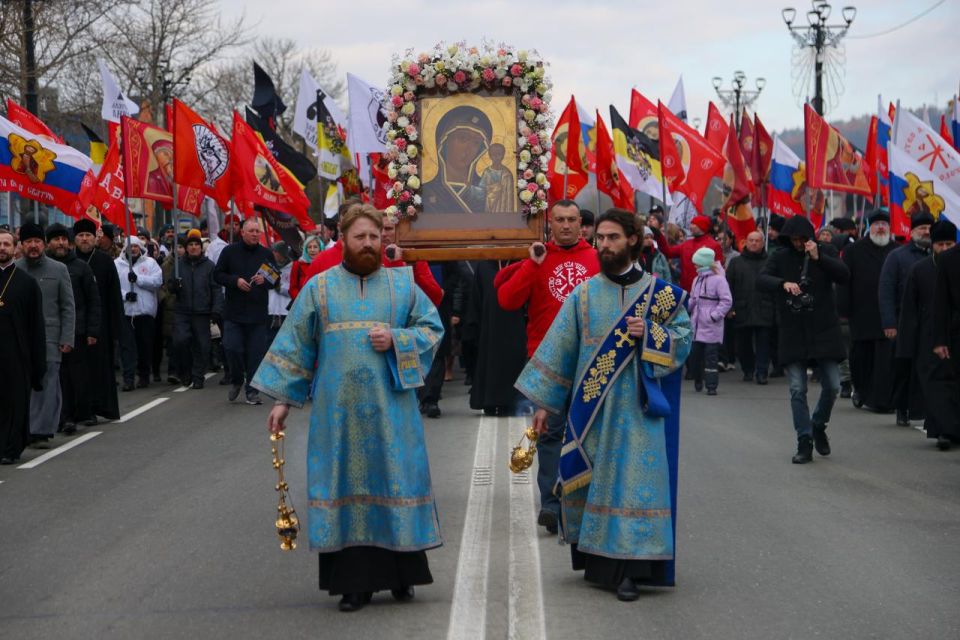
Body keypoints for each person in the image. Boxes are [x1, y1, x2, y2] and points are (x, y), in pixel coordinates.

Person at [253, 203, 444, 612]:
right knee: (346, 488)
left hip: (392, 413)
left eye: (375, 237)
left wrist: (397, 339)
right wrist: (284, 400)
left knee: (394, 481)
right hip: (336, 417)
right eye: (361, 237)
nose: (369, 244)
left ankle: (402, 574)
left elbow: (432, 330)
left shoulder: (404, 286)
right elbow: (297, 345)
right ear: (344, 240)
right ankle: (353, 584)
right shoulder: (319, 288)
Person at [515, 208, 691, 601]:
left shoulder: (661, 295)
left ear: (633, 240)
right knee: (595, 483)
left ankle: (631, 570)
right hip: (590, 411)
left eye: (613, 238)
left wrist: (653, 335)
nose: (605, 245)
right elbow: (561, 349)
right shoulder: (584, 294)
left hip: (640, 413)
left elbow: (684, 338)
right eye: (601, 239)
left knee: (634, 487)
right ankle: (599, 563)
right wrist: (544, 403)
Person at [495, 199, 600, 534]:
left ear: (581, 224)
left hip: (589, 360)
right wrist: (532, 265)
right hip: (545, 360)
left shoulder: (598, 259)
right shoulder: (537, 257)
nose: (567, 225)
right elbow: (507, 300)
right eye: (560, 220)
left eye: (573, 219)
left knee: (589, 433)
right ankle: (552, 506)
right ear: (548, 223)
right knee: (549, 434)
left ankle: (585, 502)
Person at [757, 216, 850, 464]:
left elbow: (843, 275)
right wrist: (783, 283)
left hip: (824, 330)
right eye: (794, 240)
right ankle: (804, 439)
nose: (798, 243)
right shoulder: (779, 256)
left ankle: (818, 424)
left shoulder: (825, 251)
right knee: (798, 388)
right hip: (793, 331)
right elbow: (762, 280)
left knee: (832, 385)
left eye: (802, 239)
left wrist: (819, 257)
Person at [290, 207, 443, 306]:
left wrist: (410, 266)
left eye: (387, 229)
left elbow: (432, 301)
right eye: (360, 236)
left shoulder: (408, 259)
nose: (382, 235)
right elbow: (304, 309)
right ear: (344, 236)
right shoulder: (323, 261)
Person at [899, 219, 958, 450]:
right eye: (940, 244)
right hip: (929, 338)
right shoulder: (920, 270)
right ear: (932, 245)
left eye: (949, 244)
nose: (945, 249)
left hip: (955, 335)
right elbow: (909, 309)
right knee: (936, 387)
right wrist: (906, 344)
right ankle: (942, 430)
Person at [15, 222, 75, 447]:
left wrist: (67, 337)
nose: (33, 246)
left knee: (47, 384)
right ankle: (25, 427)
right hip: (21, 339)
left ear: (44, 244)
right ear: (22, 245)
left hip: (51, 338)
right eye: (29, 242)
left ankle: (40, 432)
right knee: (23, 385)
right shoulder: (14, 270)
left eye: (37, 242)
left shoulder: (58, 270)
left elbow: (67, 306)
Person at [838, 210, 897, 413]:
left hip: (888, 314)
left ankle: (881, 399)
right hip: (862, 313)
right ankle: (861, 390)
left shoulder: (896, 250)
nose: (881, 227)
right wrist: (843, 308)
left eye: (884, 224)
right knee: (860, 357)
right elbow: (844, 281)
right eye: (877, 224)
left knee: (884, 359)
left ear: (889, 228)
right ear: (869, 227)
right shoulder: (854, 251)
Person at [878, 212, 934, 426]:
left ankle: (928, 410)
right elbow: (886, 290)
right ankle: (902, 407)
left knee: (929, 368)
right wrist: (889, 323)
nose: (926, 232)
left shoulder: (937, 256)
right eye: (922, 228)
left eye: (929, 228)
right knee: (904, 367)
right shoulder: (897, 256)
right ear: (912, 232)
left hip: (930, 322)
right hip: (904, 322)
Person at [214, 217, 274, 405]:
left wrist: (267, 281)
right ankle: (237, 379)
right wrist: (236, 281)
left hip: (257, 314)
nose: (256, 234)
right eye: (252, 231)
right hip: (234, 312)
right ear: (243, 232)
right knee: (232, 348)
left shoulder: (266, 253)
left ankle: (252, 390)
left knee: (255, 354)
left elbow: (276, 280)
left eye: (258, 231)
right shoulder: (229, 252)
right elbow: (217, 275)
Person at [46, 224, 101, 434]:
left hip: (77, 331)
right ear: (48, 243)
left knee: (77, 376)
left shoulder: (81, 267)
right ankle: (63, 416)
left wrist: (92, 331)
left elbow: (93, 301)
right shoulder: (43, 267)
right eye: (55, 239)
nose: (60, 243)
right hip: (50, 332)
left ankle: (81, 412)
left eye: (63, 239)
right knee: (57, 378)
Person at [0, 229, 46, 464]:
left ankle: (11, 447)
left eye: (7, 244)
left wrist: (38, 361)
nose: (2, 248)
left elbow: (36, 324)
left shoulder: (26, 283)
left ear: (15, 248)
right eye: (0, 244)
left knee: (15, 400)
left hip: (17, 352)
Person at [74, 218, 123, 422]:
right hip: (77, 324)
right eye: (81, 236)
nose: (85, 239)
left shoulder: (104, 261)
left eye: (88, 236)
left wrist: (116, 328)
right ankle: (82, 410)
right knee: (79, 370)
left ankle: (101, 407)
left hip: (101, 325)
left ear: (96, 238)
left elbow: (114, 296)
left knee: (100, 368)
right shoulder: (68, 261)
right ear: (75, 239)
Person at [465, 260, 527, 415]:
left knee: (514, 359)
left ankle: (511, 401)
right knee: (490, 359)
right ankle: (490, 401)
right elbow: (476, 297)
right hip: (490, 322)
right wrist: (472, 325)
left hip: (516, 321)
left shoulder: (521, 262)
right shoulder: (484, 264)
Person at [168, 229, 222, 390]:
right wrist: (174, 285)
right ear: (186, 248)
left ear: (201, 247)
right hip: (182, 311)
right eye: (190, 245)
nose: (193, 248)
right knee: (180, 341)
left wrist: (216, 309)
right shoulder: (179, 265)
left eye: (196, 245)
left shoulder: (209, 266)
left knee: (202, 345)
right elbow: (169, 286)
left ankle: (198, 376)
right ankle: (185, 372)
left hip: (202, 311)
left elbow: (216, 289)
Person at [726, 230, 776, 384]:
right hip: (742, 308)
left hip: (765, 308)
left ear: (762, 243)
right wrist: (730, 307)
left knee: (763, 344)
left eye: (757, 240)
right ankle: (748, 370)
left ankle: (762, 372)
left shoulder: (770, 262)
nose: (754, 243)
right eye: (751, 240)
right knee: (743, 343)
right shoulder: (736, 262)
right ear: (746, 242)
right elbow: (728, 287)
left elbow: (776, 285)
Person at [115, 236, 163, 391]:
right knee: (127, 347)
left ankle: (143, 375)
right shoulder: (117, 264)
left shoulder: (150, 263)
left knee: (144, 346)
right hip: (126, 312)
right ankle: (128, 378)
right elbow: (113, 285)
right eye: (130, 247)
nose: (133, 249)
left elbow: (157, 282)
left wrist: (139, 279)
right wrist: (125, 295)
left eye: (135, 246)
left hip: (144, 313)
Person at [687, 247, 732, 395]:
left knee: (711, 357)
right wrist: (687, 308)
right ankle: (698, 379)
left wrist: (715, 315)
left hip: (711, 324)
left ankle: (711, 385)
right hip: (697, 323)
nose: (694, 266)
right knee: (696, 356)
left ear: (704, 263)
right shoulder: (697, 279)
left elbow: (726, 300)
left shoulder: (719, 279)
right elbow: (694, 298)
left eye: (697, 263)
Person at [652, 214, 724, 292]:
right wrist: (659, 236)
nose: (690, 226)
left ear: (701, 227)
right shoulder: (686, 244)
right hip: (686, 290)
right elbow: (668, 252)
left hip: (705, 292)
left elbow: (718, 270)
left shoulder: (714, 245)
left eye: (693, 224)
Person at [267, 241, 292, 347]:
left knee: (285, 343)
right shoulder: (268, 266)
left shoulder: (293, 267)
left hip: (286, 311)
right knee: (269, 343)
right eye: (276, 253)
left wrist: (281, 289)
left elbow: (294, 290)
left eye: (281, 254)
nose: (278, 256)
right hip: (270, 311)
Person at [289, 234, 321, 299]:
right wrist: (300, 300)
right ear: (305, 249)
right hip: (303, 303)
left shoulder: (325, 264)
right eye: (309, 247)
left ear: (320, 249)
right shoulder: (297, 264)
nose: (312, 250)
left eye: (315, 247)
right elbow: (293, 288)